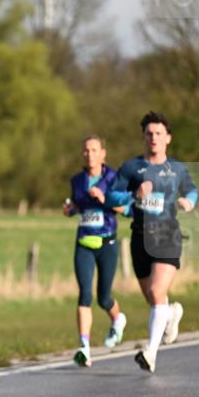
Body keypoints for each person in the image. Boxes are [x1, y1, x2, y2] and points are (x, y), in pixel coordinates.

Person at [106, 111, 198, 373]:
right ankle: (171, 313)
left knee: (158, 292)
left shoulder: (177, 169)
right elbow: (111, 197)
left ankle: (151, 352)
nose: (154, 137)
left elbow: (192, 189)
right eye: (149, 134)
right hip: (140, 237)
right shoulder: (131, 168)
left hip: (168, 234)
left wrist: (188, 201)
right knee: (152, 298)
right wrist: (133, 194)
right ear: (144, 138)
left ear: (167, 138)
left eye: (159, 133)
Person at [62, 136, 128, 367]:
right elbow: (78, 206)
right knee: (85, 295)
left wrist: (104, 198)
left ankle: (118, 319)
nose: (89, 154)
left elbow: (123, 207)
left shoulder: (113, 178)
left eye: (94, 150)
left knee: (103, 297)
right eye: (86, 151)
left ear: (103, 154)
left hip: (107, 243)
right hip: (84, 244)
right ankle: (84, 347)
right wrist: (70, 210)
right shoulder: (77, 180)